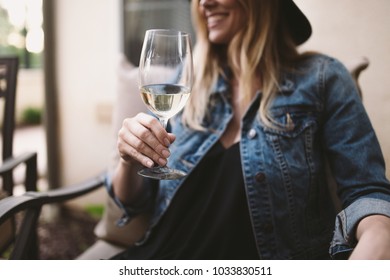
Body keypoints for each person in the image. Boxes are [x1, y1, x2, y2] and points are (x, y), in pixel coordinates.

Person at [108, 0, 390, 259]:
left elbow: (367, 191)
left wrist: (379, 235)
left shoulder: (322, 78)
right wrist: (128, 159)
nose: (205, 3)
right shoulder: (187, 83)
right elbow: (133, 201)